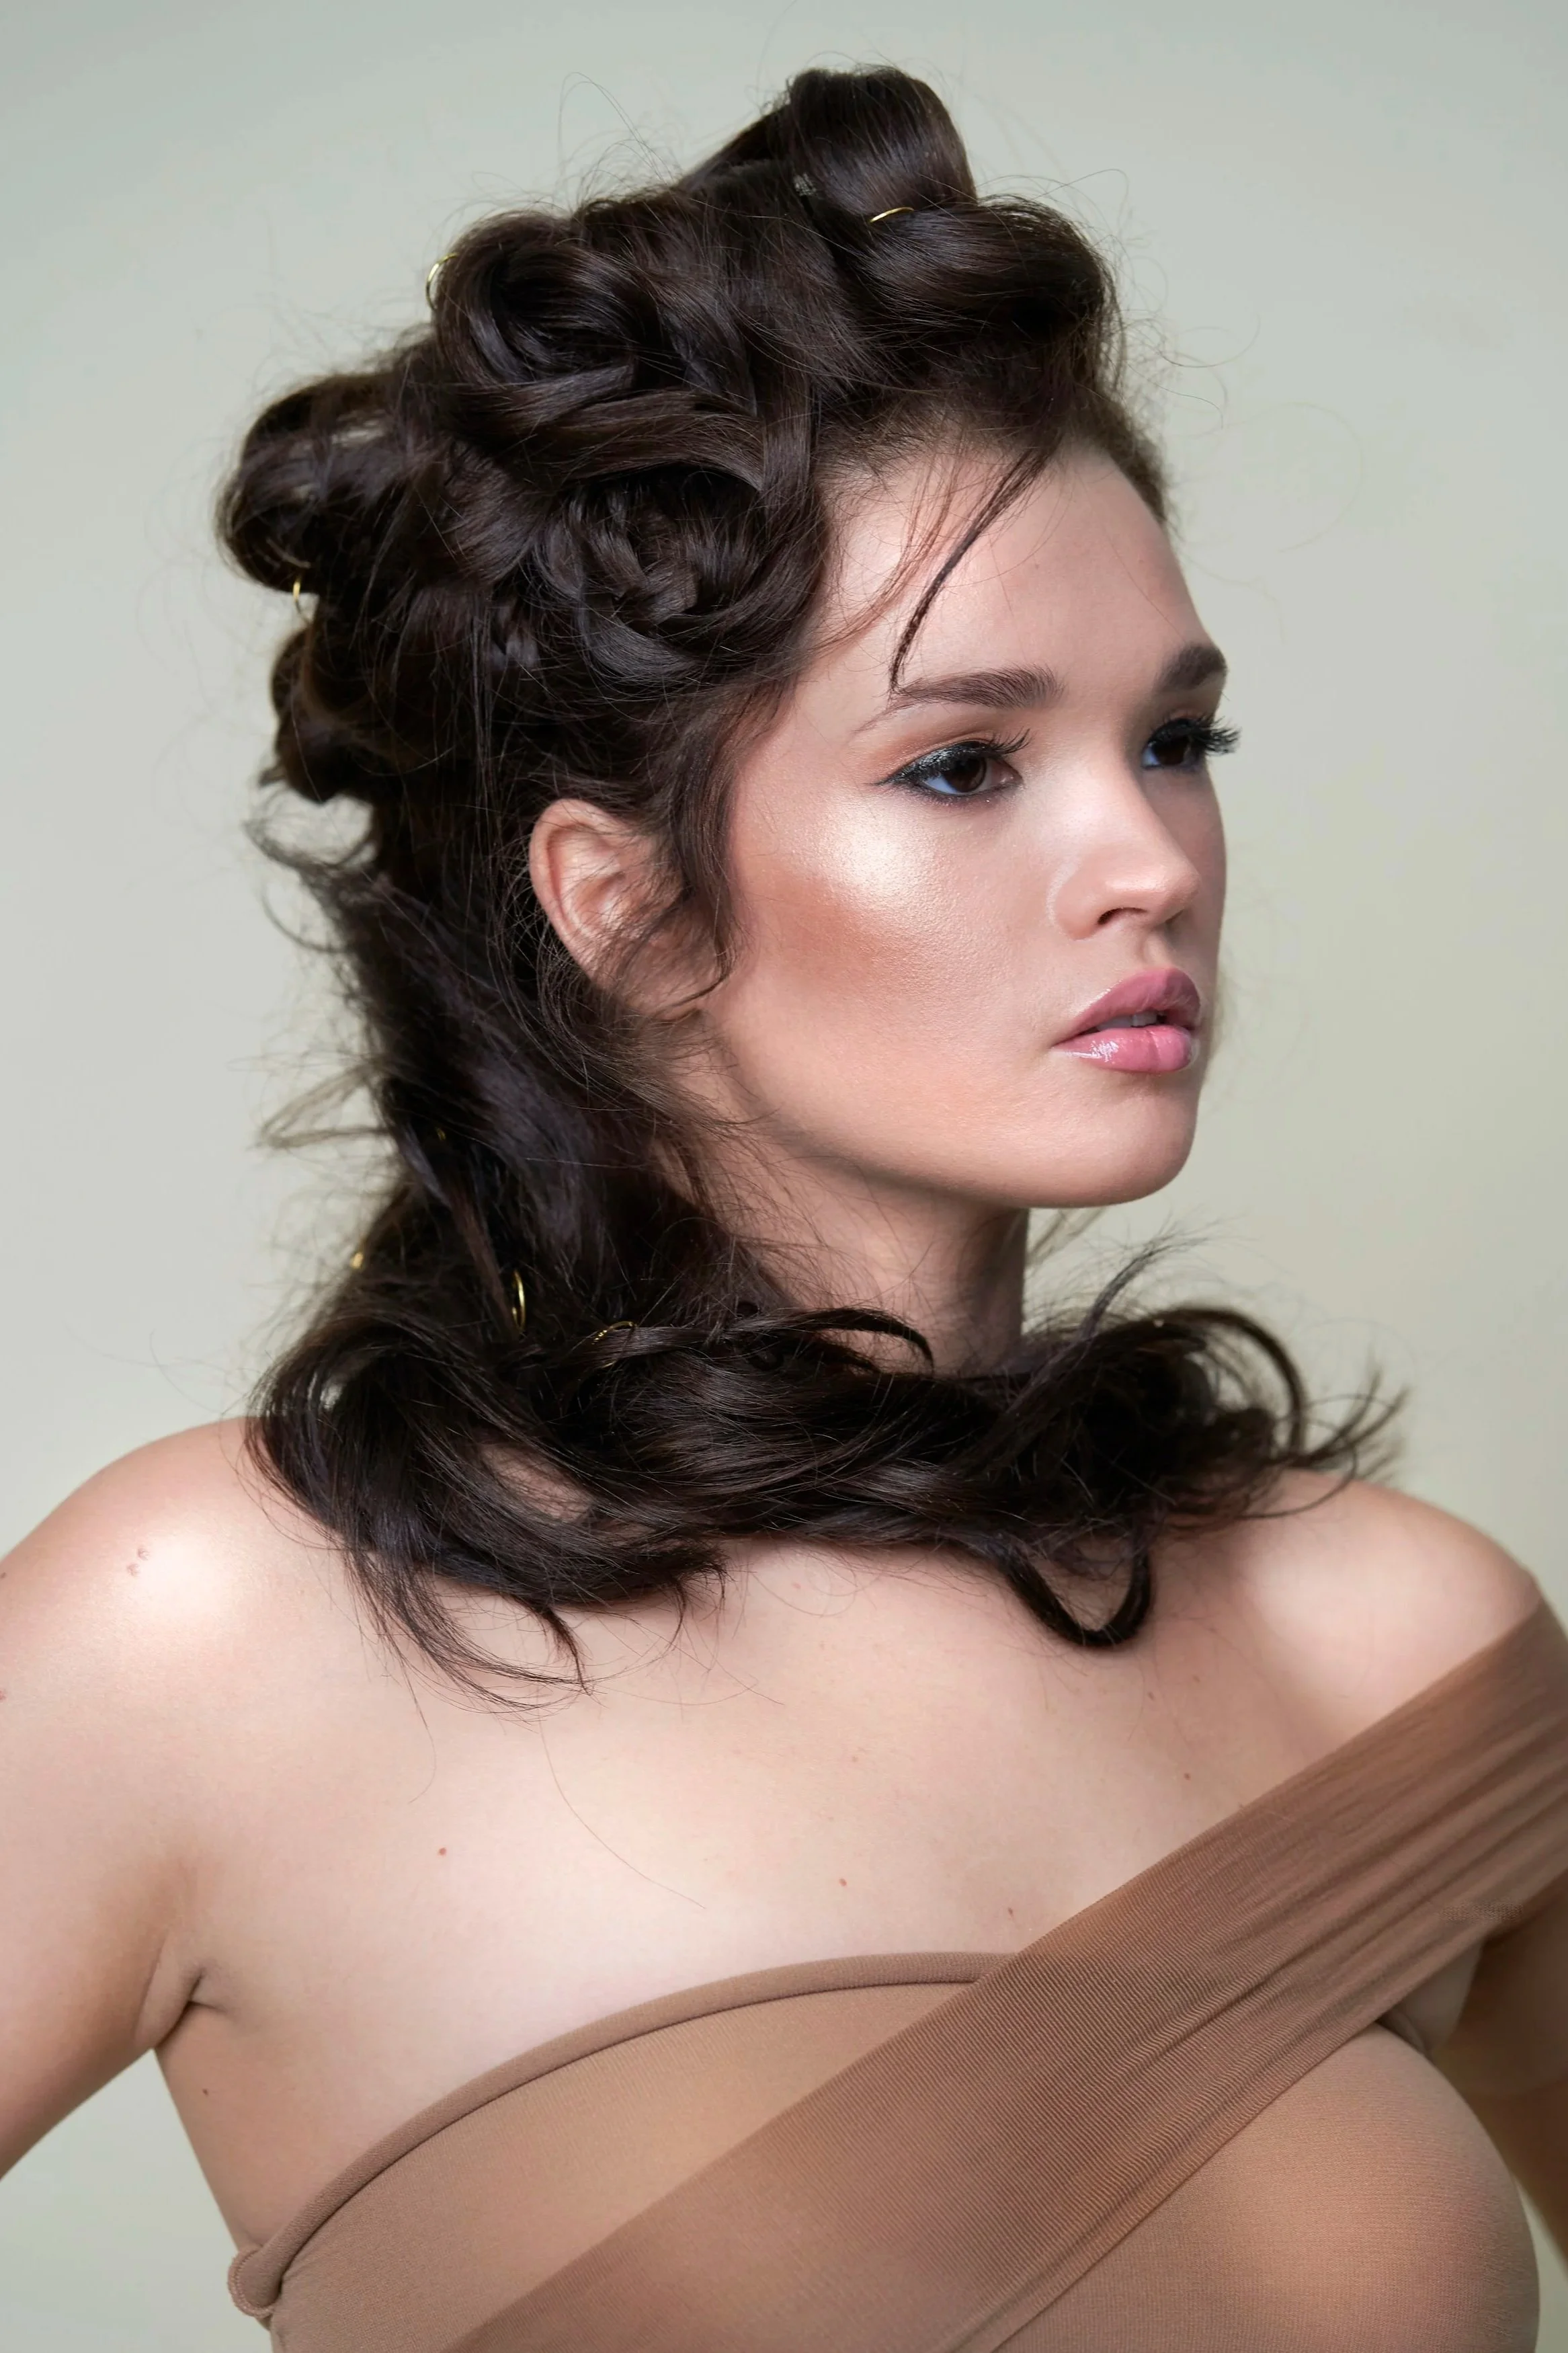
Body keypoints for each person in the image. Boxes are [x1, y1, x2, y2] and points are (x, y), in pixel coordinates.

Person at [2, 64, 1564, 2353]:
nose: (1146, 860)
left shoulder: (1402, 1649)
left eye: (1175, 739)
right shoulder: (218, 1628)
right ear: (623, 903)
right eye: (963, 763)